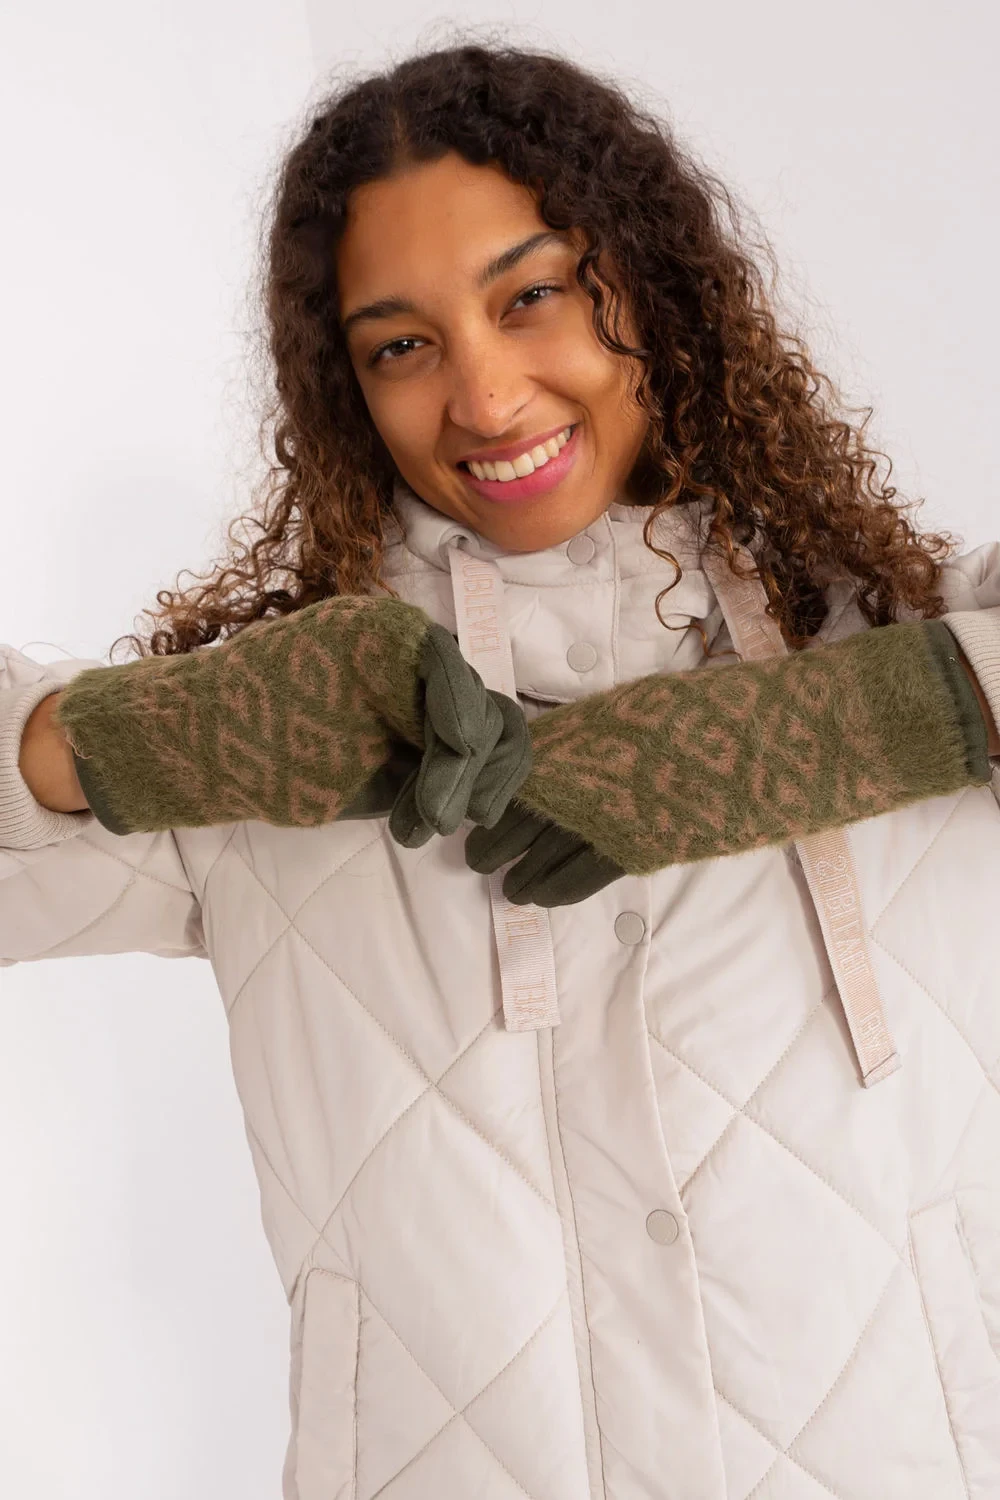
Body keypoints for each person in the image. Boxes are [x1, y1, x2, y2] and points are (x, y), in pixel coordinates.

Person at [4, 40, 1000, 1500]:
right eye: (400, 346)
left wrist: (869, 720)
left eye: (531, 295)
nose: (482, 396)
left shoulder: (893, 627)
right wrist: (112, 738)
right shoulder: (282, 736)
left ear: (652, 286)